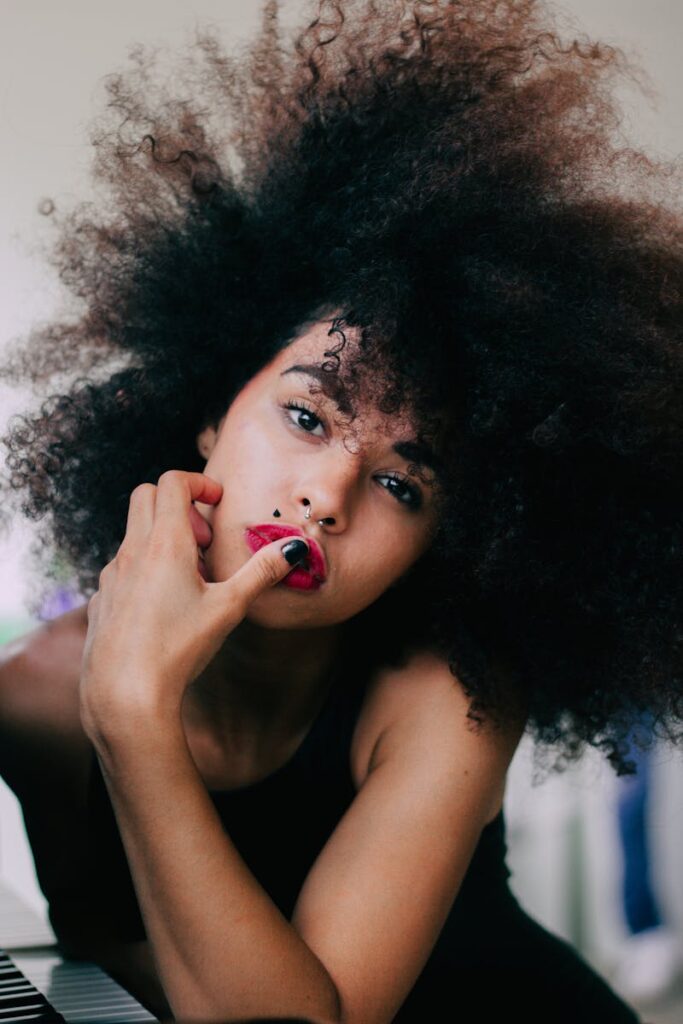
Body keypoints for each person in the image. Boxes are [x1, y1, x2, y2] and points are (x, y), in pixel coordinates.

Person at [0, 1, 680, 1021]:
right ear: (208, 407)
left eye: (403, 484)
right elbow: (105, 947)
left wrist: (135, 718)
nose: (327, 495)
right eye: (308, 415)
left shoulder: (447, 695)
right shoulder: (38, 700)